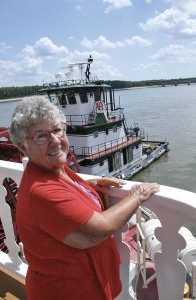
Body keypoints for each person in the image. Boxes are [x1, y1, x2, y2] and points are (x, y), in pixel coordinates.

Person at [10, 96, 160, 300]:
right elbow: (104, 226)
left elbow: (62, 198)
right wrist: (137, 194)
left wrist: (86, 186)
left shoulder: (56, 169)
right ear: (22, 146)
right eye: (41, 136)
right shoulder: (41, 190)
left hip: (84, 283)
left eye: (57, 130)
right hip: (65, 291)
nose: (55, 141)